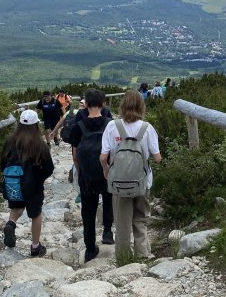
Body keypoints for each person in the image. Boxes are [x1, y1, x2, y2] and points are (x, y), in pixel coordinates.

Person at [101, 89, 162, 259]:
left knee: (122, 223)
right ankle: (143, 254)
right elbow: (157, 158)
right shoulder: (147, 128)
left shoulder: (112, 126)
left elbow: (103, 156)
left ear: (122, 106)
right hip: (142, 182)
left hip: (119, 183)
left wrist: (106, 171)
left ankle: (123, 258)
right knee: (141, 218)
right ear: (141, 106)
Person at [67, 89, 115, 262]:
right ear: (103, 104)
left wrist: (80, 171)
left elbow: (74, 154)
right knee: (108, 199)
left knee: (88, 210)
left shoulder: (79, 126)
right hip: (107, 171)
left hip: (87, 175)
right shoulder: (111, 124)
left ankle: (89, 248)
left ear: (85, 104)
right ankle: (108, 231)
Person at [1, 109, 54, 257]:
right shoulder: (39, 145)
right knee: (35, 215)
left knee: (16, 208)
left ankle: (11, 223)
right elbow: (49, 168)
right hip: (33, 186)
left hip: (14, 183)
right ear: (36, 125)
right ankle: (35, 246)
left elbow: (2, 164)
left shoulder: (9, 142)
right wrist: (40, 178)